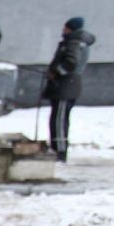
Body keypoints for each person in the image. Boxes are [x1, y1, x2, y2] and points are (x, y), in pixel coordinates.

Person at [43, 17, 95, 162]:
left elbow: (71, 63)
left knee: (59, 119)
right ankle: (58, 148)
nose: (63, 30)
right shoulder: (78, 42)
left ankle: (59, 151)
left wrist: (56, 72)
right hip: (69, 85)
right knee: (60, 118)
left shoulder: (73, 42)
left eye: (66, 28)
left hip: (65, 86)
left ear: (71, 29)